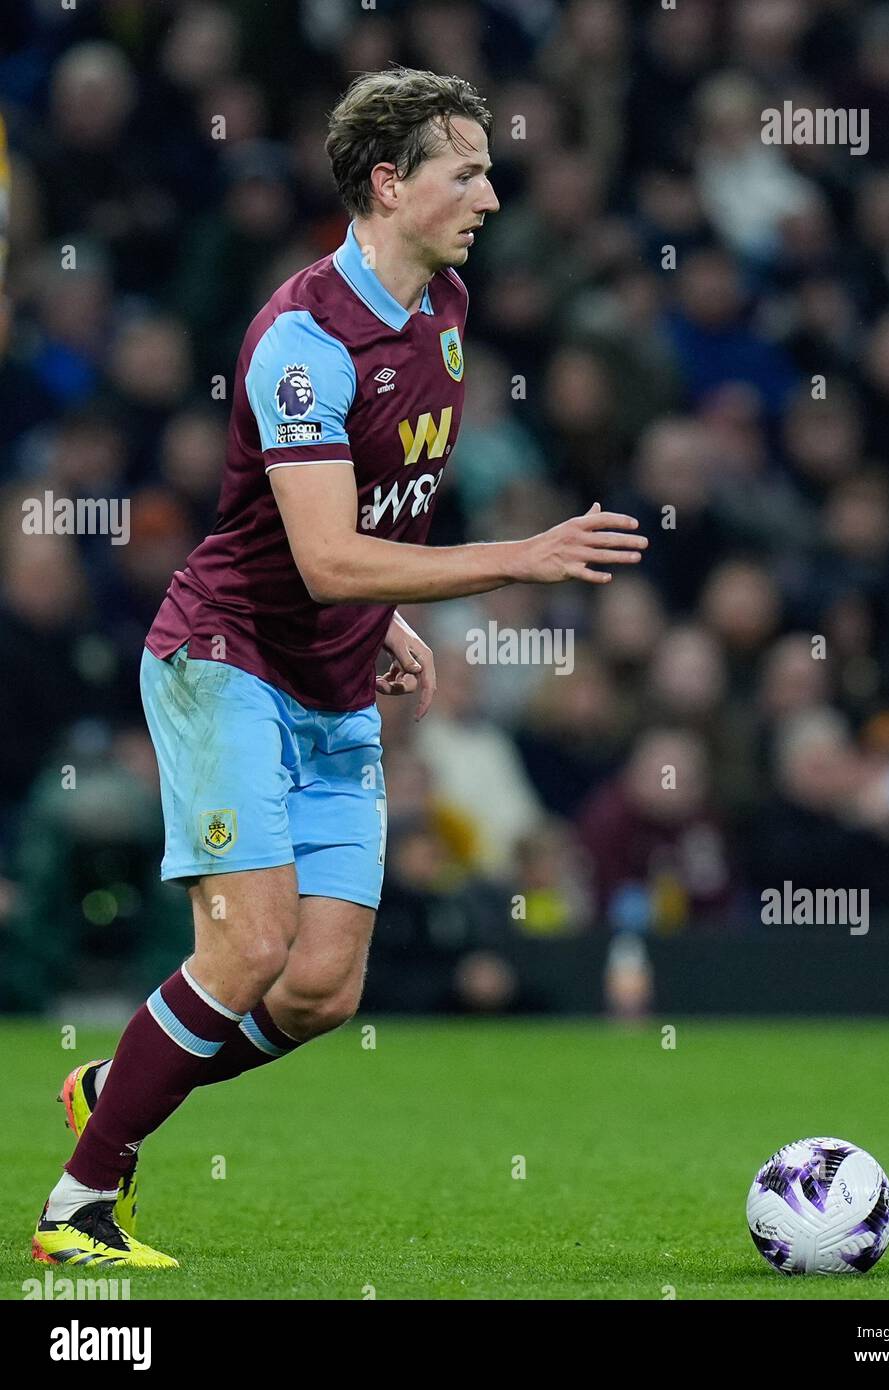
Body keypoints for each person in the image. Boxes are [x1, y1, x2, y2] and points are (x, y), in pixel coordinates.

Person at [32, 65, 646, 1269]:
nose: (490, 192)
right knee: (248, 947)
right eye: (464, 170)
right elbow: (318, 556)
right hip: (229, 658)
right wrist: (518, 556)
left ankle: (117, 1084)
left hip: (337, 674)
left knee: (319, 990)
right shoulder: (301, 341)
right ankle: (78, 1208)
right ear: (387, 181)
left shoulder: (449, 309)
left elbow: (383, 517)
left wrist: (393, 620)